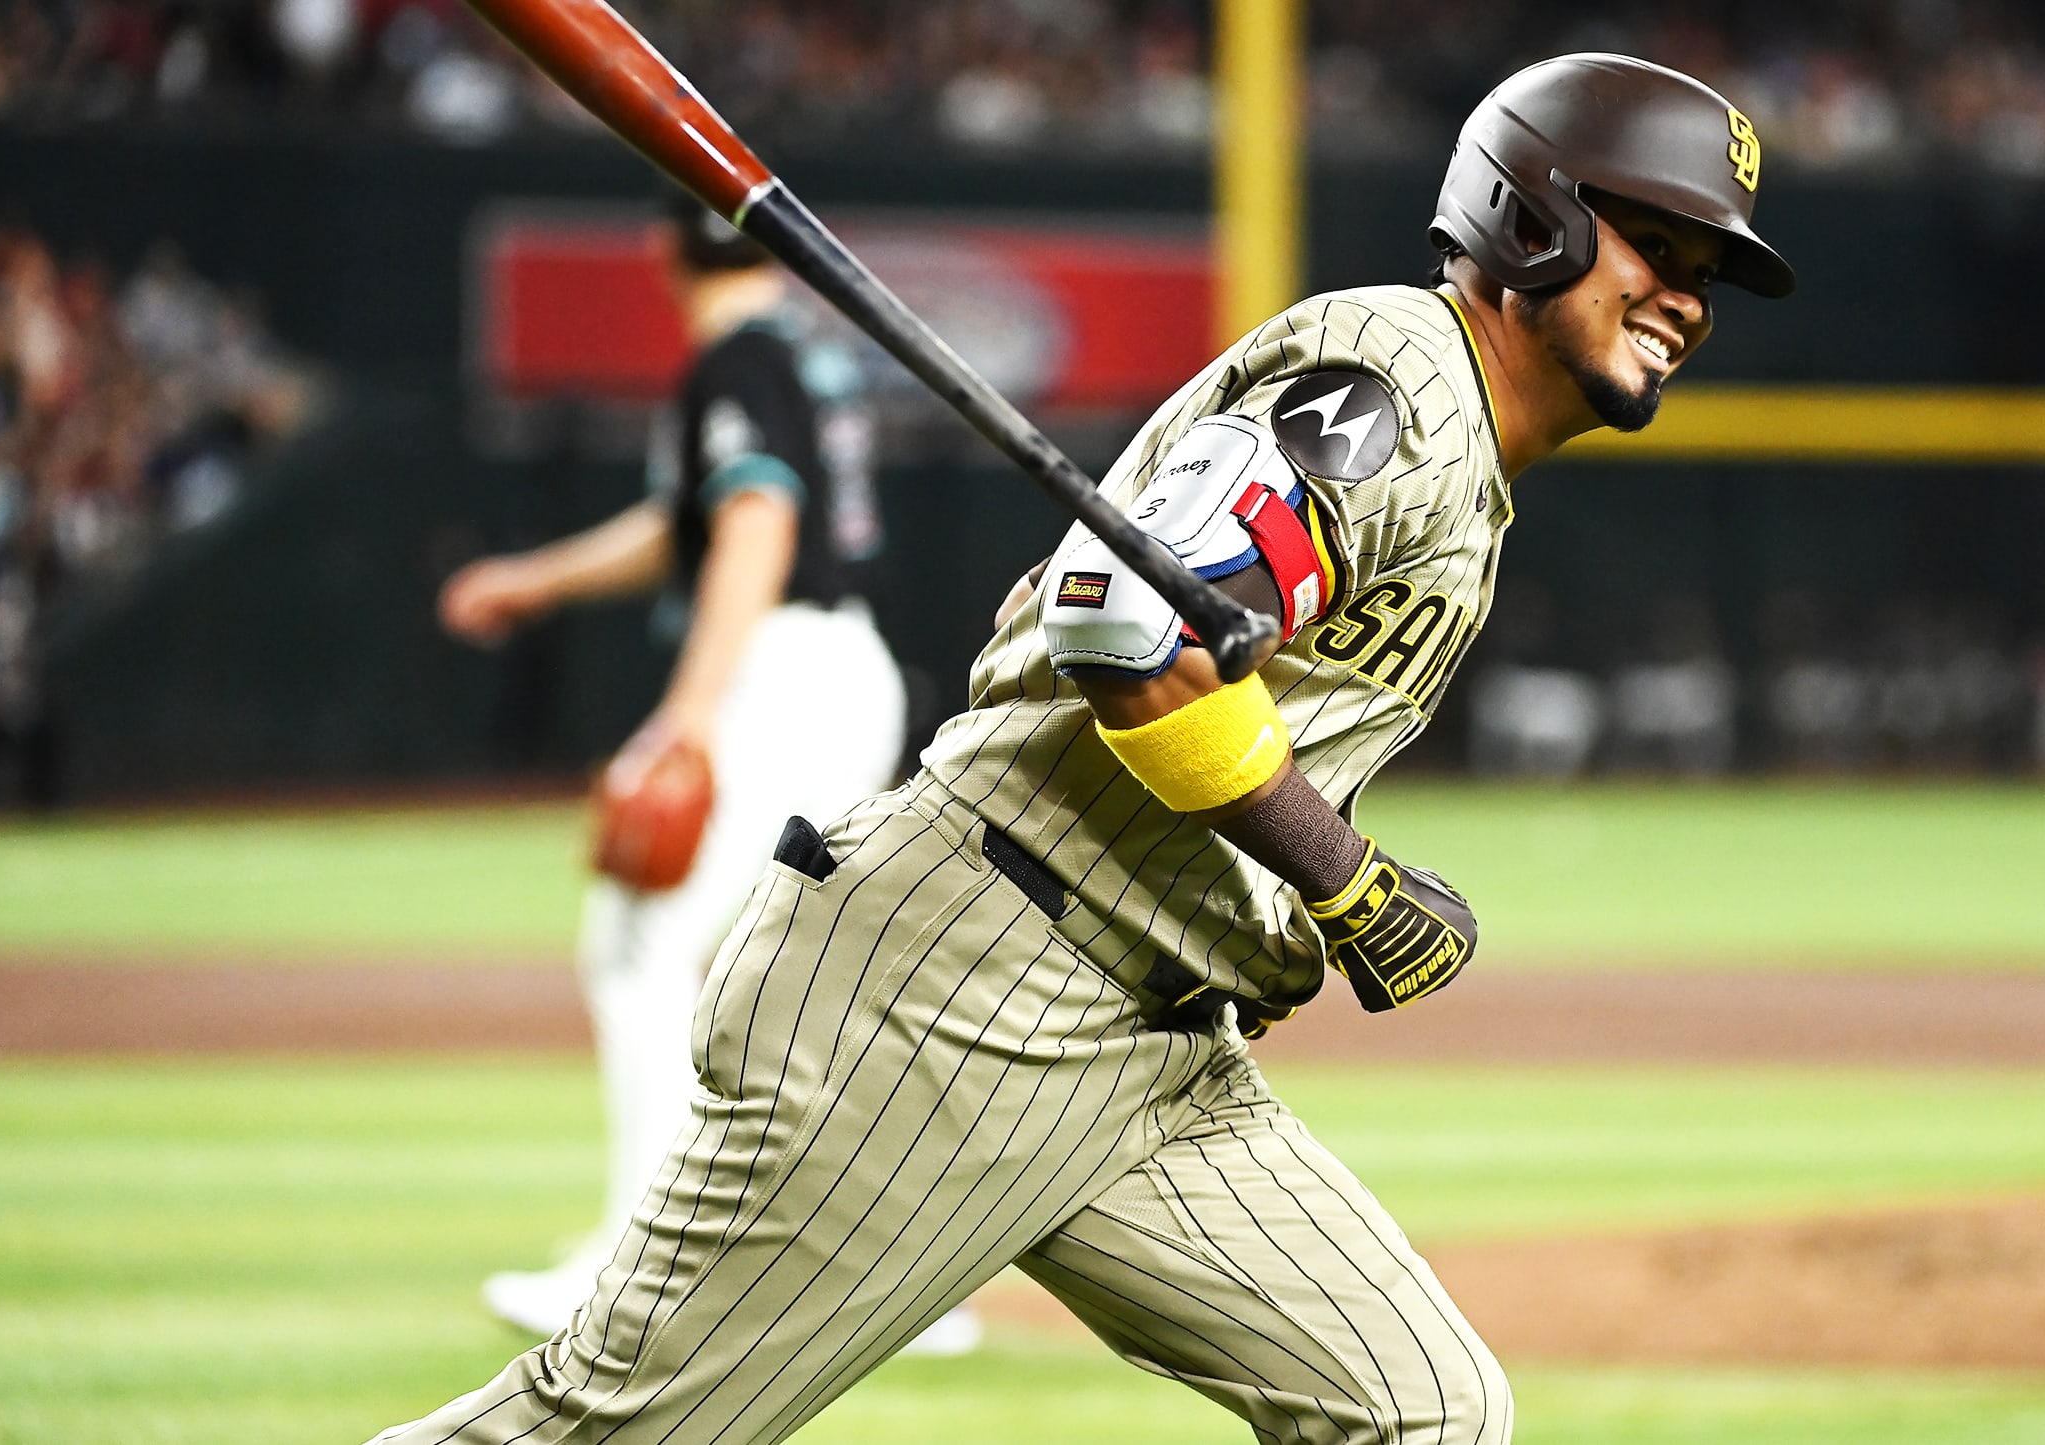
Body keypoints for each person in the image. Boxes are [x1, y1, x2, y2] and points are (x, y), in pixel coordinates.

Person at [378, 52, 1792, 1444]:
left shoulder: (1461, 449)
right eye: (1655, 243)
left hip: (1155, 1044)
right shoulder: (1398, 387)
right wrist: (1347, 881)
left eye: (1708, 273)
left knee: (1424, 1412)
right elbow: (1126, 629)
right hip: (964, 993)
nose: (1686, 297)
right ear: (1531, 218)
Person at [433, 198, 975, 1354]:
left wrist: (686, 715)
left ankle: (635, 1273)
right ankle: (897, 1281)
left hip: (785, 671)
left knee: (639, 943)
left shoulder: (737, 362)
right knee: (807, 983)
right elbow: (691, 520)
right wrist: (537, 580)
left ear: (662, 250)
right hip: (842, 669)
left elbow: (756, 524)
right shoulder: (799, 358)